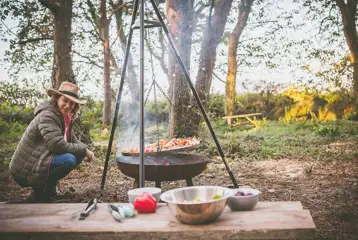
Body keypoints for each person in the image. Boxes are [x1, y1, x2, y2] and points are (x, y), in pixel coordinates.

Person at [9, 82, 95, 203]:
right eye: (65, 100)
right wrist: (84, 149)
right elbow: (58, 145)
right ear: (56, 98)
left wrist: (86, 150)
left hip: (42, 159)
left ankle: (48, 191)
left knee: (79, 153)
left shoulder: (64, 117)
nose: (68, 105)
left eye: (71, 103)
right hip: (25, 169)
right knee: (68, 159)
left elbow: (72, 139)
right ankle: (39, 194)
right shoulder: (48, 115)